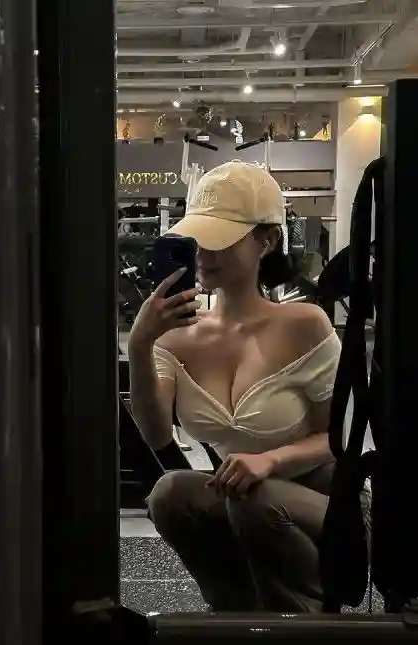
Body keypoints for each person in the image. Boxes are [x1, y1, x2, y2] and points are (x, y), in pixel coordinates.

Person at [128, 161, 344, 613]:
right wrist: (141, 343)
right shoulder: (177, 335)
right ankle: (232, 611)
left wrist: (269, 461)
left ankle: (300, 622)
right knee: (170, 493)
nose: (204, 253)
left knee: (254, 498)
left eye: (221, 240)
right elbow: (156, 434)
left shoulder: (304, 324)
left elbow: (335, 440)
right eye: (197, 239)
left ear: (267, 241)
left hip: (324, 506)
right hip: (242, 499)